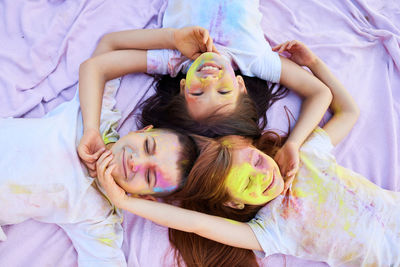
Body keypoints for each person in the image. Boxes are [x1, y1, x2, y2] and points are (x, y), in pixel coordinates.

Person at [95, 42, 400, 267]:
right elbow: (195, 224)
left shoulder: (306, 158)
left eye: (256, 162)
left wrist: (315, 63)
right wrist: (124, 202)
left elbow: (348, 111)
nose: (262, 175)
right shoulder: (271, 229)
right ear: (234, 202)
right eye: (247, 183)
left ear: (257, 150)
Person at [79, 3, 333, 182]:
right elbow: (320, 93)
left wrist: (172, 38)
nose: (210, 79)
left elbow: (107, 50)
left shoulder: (176, 60)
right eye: (224, 91)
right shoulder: (255, 61)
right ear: (241, 86)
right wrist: (293, 144)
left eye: (197, 92)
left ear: (182, 87)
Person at [0, 78, 198, 267]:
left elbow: (104, 260)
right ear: (142, 131)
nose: (135, 162)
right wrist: (167, 59)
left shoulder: (98, 215)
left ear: (144, 197)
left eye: (148, 175)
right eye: (147, 146)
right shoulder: (96, 118)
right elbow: (105, 64)